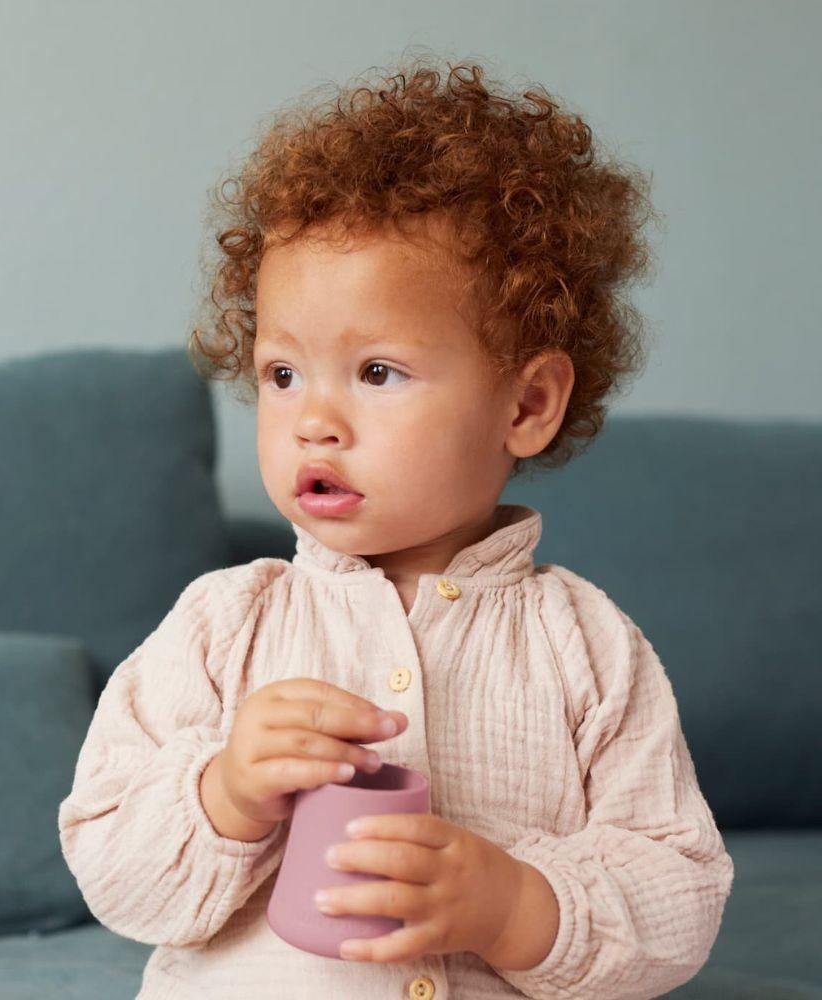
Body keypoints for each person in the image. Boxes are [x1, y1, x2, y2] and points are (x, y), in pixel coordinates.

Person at [58, 52, 734, 1000]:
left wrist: (514, 906)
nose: (313, 420)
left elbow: (679, 893)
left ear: (527, 405)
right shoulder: (224, 625)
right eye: (283, 374)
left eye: (377, 372)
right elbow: (111, 869)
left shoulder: (589, 648)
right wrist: (227, 793)